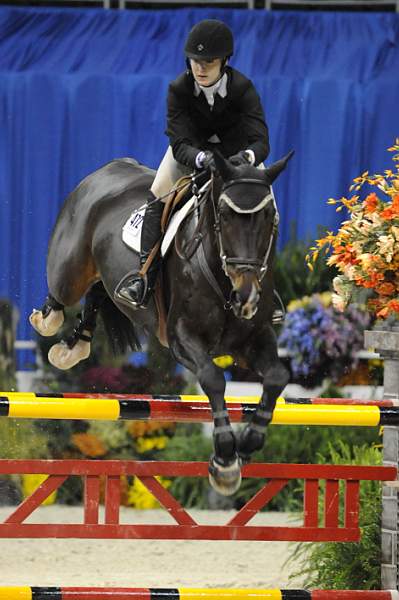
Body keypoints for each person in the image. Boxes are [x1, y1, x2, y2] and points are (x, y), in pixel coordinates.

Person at [117, 18, 274, 312]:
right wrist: (201, 158)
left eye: (209, 61)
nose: (200, 68)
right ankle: (144, 277)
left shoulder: (243, 88)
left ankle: (267, 290)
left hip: (235, 158)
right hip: (190, 154)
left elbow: (261, 141)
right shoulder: (179, 89)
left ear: (224, 61)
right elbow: (179, 143)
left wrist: (247, 158)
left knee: (265, 202)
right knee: (158, 192)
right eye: (194, 61)